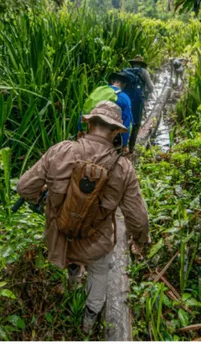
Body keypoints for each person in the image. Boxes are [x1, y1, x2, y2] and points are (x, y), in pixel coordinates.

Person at [16, 101, 150, 334]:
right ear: (117, 131)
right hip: (96, 242)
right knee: (99, 273)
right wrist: (140, 240)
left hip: (60, 238)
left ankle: (72, 279)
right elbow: (138, 218)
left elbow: (24, 187)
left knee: (72, 256)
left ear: (89, 124)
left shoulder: (61, 150)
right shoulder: (123, 168)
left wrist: (46, 202)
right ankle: (89, 319)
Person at [78, 72, 133, 153]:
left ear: (112, 81)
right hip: (109, 136)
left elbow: (85, 108)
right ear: (124, 84)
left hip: (90, 129)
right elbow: (126, 123)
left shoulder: (99, 90)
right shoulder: (124, 98)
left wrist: (80, 129)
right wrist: (124, 144)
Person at [125, 55, 154, 152]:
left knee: (125, 121)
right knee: (136, 123)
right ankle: (131, 148)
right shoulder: (144, 72)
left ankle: (121, 145)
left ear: (133, 64)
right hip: (137, 100)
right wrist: (147, 93)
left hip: (125, 99)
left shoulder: (126, 71)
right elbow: (151, 87)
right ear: (141, 64)